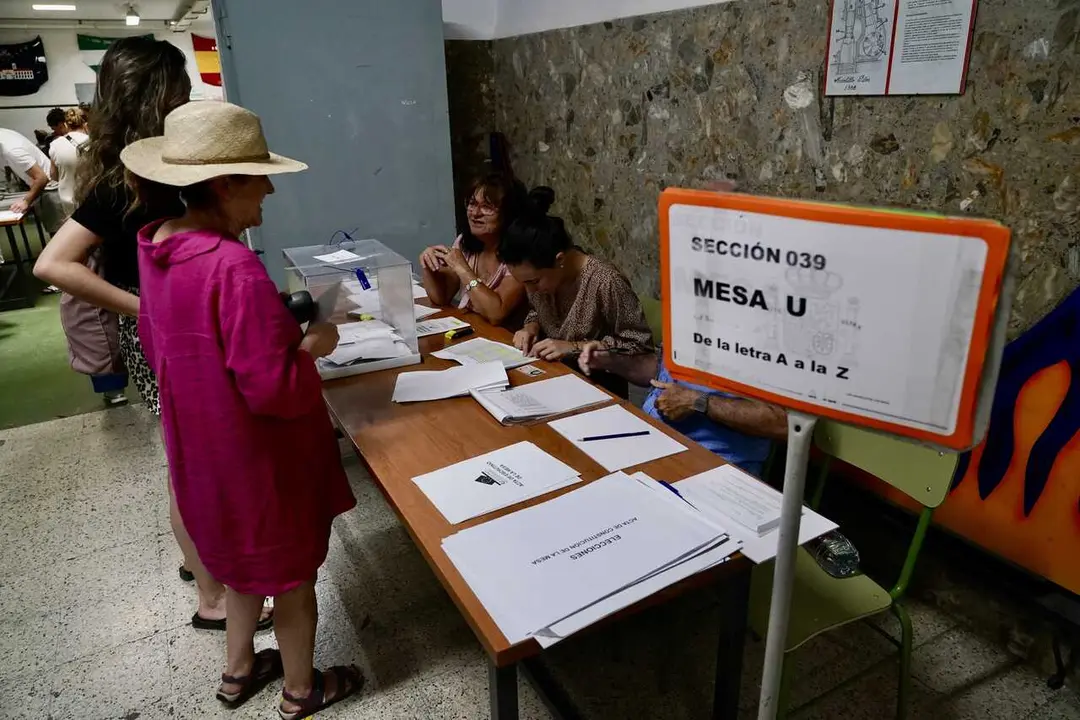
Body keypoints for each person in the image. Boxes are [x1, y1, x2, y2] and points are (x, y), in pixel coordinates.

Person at [123, 99, 361, 717]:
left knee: (241, 567)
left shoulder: (157, 248)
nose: (271, 191)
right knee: (290, 578)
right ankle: (301, 691)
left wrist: (266, 327)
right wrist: (315, 340)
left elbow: (161, 341)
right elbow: (275, 391)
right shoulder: (234, 267)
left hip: (201, 453)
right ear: (225, 185)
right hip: (258, 462)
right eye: (261, 176)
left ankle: (238, 671)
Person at [34, 36, 258, 631]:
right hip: (164, 337)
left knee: (196, 456)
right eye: (179, 90)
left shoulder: (154, 167)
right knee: (190, 462)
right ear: (157, 96)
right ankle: (212, 599)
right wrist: (143, 308)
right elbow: (53, 264)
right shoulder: (123, 179)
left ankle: (204, 563)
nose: (186, 99)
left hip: (185, 332)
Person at [499, 187, 654, 397]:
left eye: (533, 281)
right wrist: (530, 328)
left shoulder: (604, 281)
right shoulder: (541, 279)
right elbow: (537, 309)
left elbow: (640, 348)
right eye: (523, 283)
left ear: (559, 260)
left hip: (597, 391)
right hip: (551, 379)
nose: (530, 290)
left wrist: (573, 346)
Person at [578, 344, 786, 475]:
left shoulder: (768, 336)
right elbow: (660, 372)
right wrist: (611, 361)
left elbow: (783, 424)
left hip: (715, 463)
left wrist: (698, 402)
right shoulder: (689, 308)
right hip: (654, 440)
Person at [419, 173, 527, 326]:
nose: (475, 213)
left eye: (487, 207)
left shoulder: (521, 253)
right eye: (472, 204)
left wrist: (462, 268)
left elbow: (496, 314)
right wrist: (429, 264)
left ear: (508, 213)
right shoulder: (466, 242)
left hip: (509, 339)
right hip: (476, 330)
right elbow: (441, 297)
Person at [0, 126, 54, 216]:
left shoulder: (12, 151)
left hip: (50, 189)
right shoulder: (4, 134)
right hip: (44, 187)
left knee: (58, 228)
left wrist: (26, 201)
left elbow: (42, 178)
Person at [49, 108, 90, 217]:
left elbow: (53, 175)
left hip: (68, 200)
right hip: (90, 198)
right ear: (85, 124)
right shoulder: (94, 142)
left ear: (66, 124)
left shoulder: (55, 145)